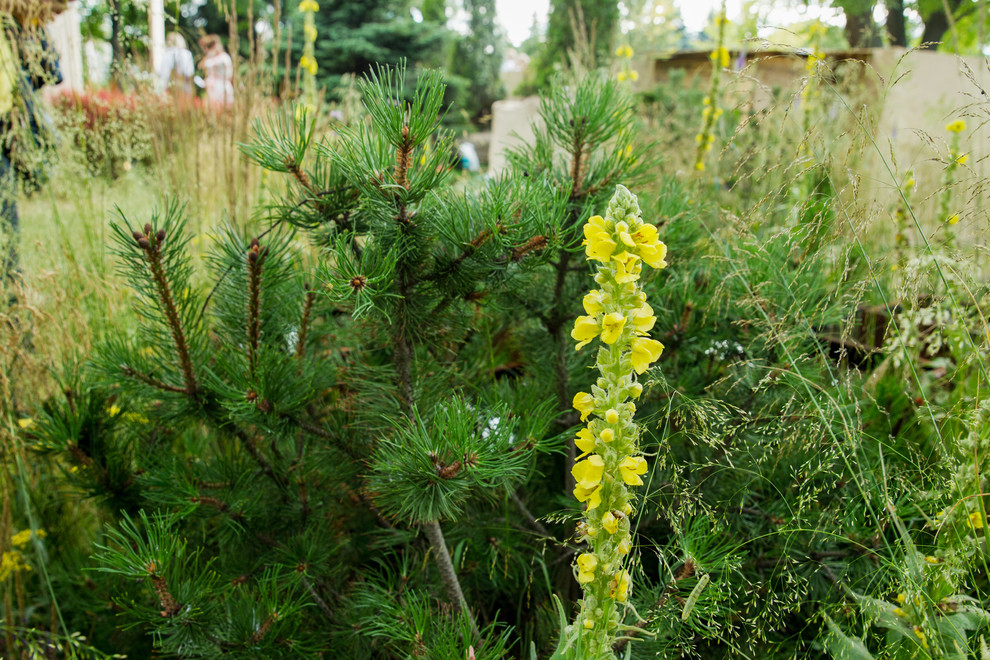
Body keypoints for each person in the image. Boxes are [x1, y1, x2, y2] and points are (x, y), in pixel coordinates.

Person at [0, 0, 65, 282]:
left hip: (5, 124)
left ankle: (11, 296)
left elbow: (49, 72)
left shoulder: (13, 22)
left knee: (6, 224)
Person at [198, 34, 233, 109]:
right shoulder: (212, 58)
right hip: (213, 88)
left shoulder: (223, 57)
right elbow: (201, 66)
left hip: (221, 87)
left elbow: (230, 74)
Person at [158, 32, 194, 98]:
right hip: (184, 87)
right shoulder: (187, 54)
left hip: (169, 87)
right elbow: (189, 73)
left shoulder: (166, 54)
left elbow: (163, 74)